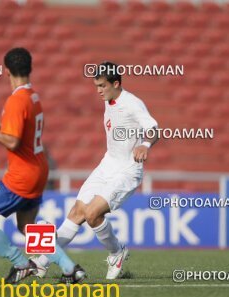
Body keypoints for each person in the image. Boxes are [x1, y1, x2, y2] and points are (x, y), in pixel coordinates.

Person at [0, 47, 85, 284]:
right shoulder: (33, 97)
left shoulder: (16, 100)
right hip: (39, 170)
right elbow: (19, 131)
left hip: (22, 175)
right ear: (30, 68)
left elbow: (12, 140)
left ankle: (20, 263)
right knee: (26, 227)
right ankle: (70, 268)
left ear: (5, 70)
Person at [32, 61, 159, 279]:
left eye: (102, 86)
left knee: (92, 214)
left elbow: (153, 128)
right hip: (107, 164)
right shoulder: (110, 100)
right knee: (76, 213)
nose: (98, 91)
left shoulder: (132, 103)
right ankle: (43, 260)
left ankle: (117, 252)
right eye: (96, 86)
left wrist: (145, 145)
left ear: (116, 83)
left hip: (127, 170)